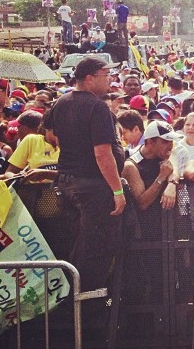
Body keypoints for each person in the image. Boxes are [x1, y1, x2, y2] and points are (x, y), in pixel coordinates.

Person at [47, 56, 126, 340]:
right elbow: (102, 153)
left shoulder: (61, 103)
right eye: (106, 74)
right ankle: (85, 316)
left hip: (67, 185)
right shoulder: (96, 107)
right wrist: (117, 191)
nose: (110, 79)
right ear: (90, 77)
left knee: (78, 248)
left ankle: (79, 310)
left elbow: (50, 135)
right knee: (94, 253)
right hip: (92, 189)